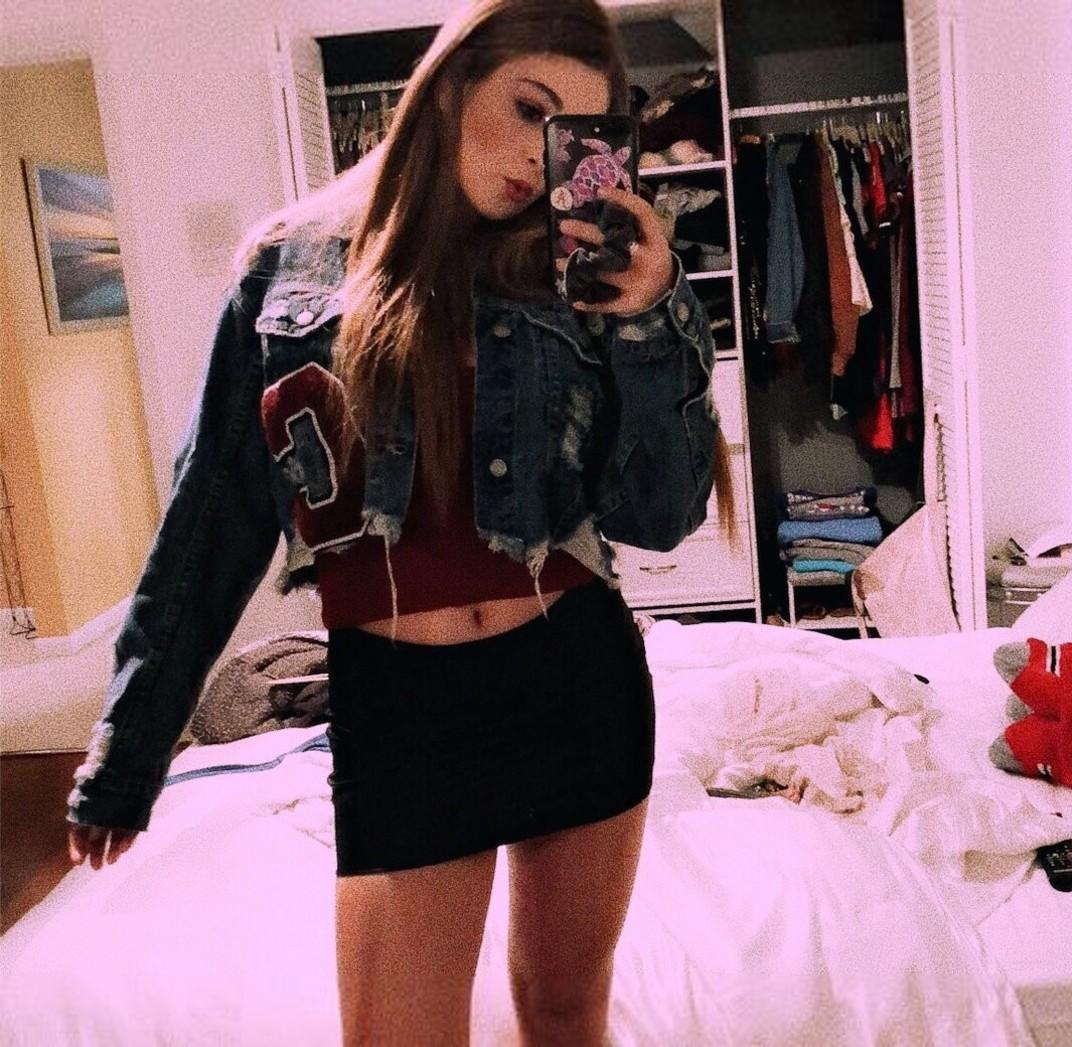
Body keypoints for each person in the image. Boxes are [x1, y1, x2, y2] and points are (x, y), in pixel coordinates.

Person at [66, 0, 733, 1042]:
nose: (536, 157)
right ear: (452, 82)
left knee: (565, 1013)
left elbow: (660, 517)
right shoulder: (285, 269)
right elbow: (212, 520)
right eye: (527, 107)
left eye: (569, 131)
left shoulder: (582, 274)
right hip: (402, 708)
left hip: (575, 681)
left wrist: (652, 315)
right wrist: (132, 746)